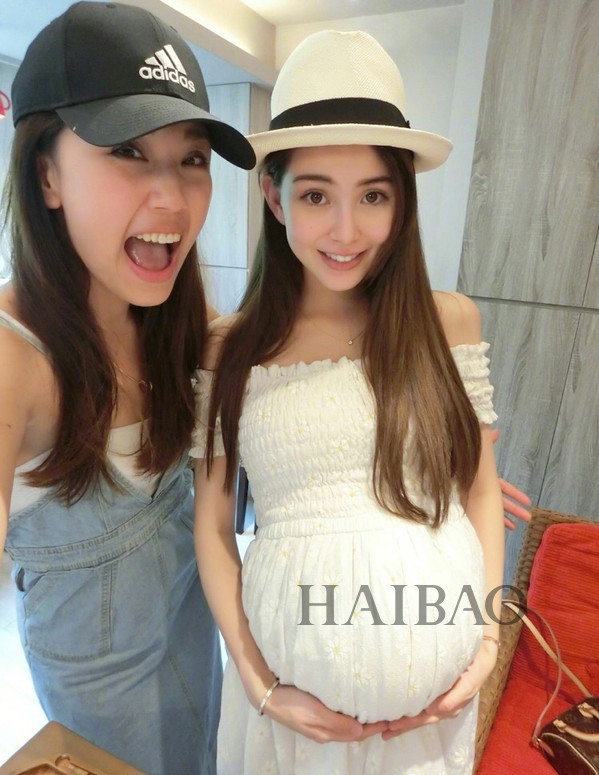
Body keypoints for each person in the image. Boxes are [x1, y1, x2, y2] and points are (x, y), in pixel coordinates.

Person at [193, 30, 506, 775]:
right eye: (315, 195)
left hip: (430, 726)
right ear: (274, 197)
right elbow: (210, 524)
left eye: (372, 195)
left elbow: (479, 490)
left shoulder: (449, 323)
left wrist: (488, 640)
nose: (345, 230)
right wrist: (257, 681)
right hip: (289, 718)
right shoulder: (231, 346)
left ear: (401, 201)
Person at [0, 3, 254, 774]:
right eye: (128, 151)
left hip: (195, 643)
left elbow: (285, 352)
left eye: (192, 157)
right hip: (102, 708)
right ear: (47, 174)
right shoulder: (15, 358)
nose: (172, 199)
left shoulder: (175, 319)